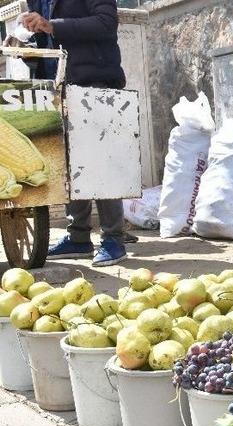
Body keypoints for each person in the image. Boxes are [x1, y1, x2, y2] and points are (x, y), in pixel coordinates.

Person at [22, 0, 128, 267]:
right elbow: (49, 40)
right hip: (55, 86)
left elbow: (106, 22)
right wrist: (27, 46)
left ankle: (113, 238)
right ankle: (78, 236)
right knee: (68, 166)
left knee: (100, 162)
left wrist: (51, 26)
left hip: (93, 79)